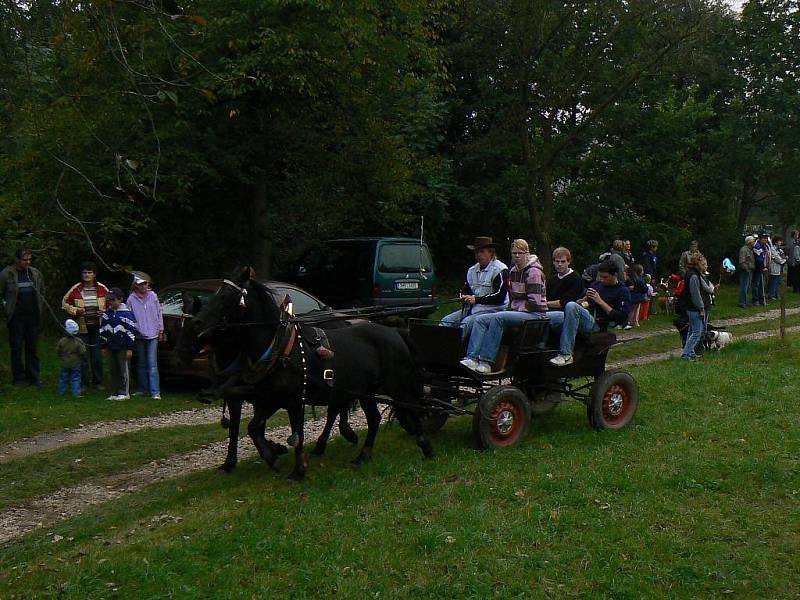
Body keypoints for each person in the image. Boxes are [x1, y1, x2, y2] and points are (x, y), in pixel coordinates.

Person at [460, 239, 547, 373]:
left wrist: (516, 307)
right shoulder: (513, 270)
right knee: (480, 320)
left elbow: (535, 302)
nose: (517, 256)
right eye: (514, 253)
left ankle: (486, 360)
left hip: (534, 314)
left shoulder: (533, 272)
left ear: (527, 254)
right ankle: (472, 358)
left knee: (498, 317)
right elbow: (512, 297)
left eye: (520, 253)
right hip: (518, 311)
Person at [549, 260, 631, 367]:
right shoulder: (596, 285)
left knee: (570, 305)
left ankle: (566, 354)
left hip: (597, 323)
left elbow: (620, 317)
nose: (602, 279)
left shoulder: (622, 291)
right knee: (547, 316)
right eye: (600, 276)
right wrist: (582, 300)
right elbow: (584, 302)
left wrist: (600, 301)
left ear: (615, 275)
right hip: (584, 315)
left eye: (605, 277)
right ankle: (541, 350)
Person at [440, 236, 508, 339]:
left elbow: (500, 298)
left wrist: (476, 300)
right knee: (445, 321)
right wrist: (463, 296)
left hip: (493, 311)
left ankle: (456, 349)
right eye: (476, 252)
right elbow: (465, 288)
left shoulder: (500, 270)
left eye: (482, 252)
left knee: (465, 324)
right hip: (473, 309)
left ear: (491, 253)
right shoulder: (472, 270)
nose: (478, 255)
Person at [0, 248, 45, 386]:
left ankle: (34, 376)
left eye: (29, 260)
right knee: (16, 347)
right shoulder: (6, 274)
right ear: (17, 259)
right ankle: (18, 377)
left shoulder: (35, 273)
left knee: (32, 347)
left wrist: (40, 306)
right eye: (25, 260)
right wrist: (5, 310)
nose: (27, 262)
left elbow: (42, 289)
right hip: (16, 317)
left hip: (32, 316)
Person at [62, 262, 108, 390]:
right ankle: (84, 383)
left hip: (97, 327)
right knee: (83, 356)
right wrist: (76, 311)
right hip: (82, 327)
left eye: (89, 272)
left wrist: (104, 312)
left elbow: (112, 304)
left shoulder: (102, 288)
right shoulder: (76, 289)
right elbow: (64, 303)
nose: (87, 275)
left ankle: (98, 382)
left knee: (97, 356)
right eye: (84, 272)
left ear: (94, 274)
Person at [126, 272, 164, 400]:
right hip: (139, 334)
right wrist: (134, 330)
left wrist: (161, 329)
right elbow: (129, 317)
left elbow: (159, 312)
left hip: (153, 333)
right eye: (141, 284)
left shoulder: (153, 296)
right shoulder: (131, 299)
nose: (143, 287)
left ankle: (155, 391)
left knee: (152, 363)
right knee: (141, 363)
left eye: (145, 284)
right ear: (136, 285)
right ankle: (143, 389)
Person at [100, 287, 139, 401]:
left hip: (123, 347)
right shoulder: (107, 314)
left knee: (123, 369)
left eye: (113, 300)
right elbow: (103, 330)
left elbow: (131, 331)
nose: (111, 302)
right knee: (113, 370)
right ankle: (114, 392)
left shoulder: (127, 314)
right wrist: (103, 345)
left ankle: (124, 392)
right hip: (111, 346)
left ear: (120, 299)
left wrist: (130, 348)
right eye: (109, 300)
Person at [681, 252, 715, 361]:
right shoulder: (694, 276)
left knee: (692, 331)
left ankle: (690, 352)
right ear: (697, 264)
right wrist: (701, 308)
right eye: (704, 264)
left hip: (692, 307)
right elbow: (695, 294)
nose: (706, 266)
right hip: (693, 308)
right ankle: (686, 354)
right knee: (697, 332)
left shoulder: (694, 274)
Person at [56, 319, 86, 398]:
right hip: (76, 364)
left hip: (64, 363)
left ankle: (61, 393)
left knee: (63, 378)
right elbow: (83, 351)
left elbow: (58, 350)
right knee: (75, 378)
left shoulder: (62, 341)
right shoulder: (78, 341)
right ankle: (76, 393)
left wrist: (61, 356)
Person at [627, 264, 646, 329]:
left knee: (632, 310)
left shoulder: (634, 279)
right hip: (638, 297)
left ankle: (632, 322)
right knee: (635, 310)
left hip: (633, 296)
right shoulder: (641, 280)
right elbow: (644, 289)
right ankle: (634, 322)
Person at [738, 235, 756, 308]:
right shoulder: (744, 250)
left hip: (750, 270)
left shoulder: (750, 249)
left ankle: (746, 301)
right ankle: (742, 302)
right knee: (744, 287)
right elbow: (742, 261)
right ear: (749, 242)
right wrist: (746, 269)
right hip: (746, 271)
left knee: (748, 287)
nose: (754, 242)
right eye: (753, 241)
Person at [767, 236, 787, 300]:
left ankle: (775, 294)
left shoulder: (780, 249)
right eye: (779, 241)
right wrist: (783, 260)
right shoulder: (773, 248)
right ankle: (771, 295)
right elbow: (777, 258)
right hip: (774, 267)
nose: (780, 242)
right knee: (774, 281)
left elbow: (784, 256)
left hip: (780, 267)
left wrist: (784, 259)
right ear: (776, 242)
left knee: (778, 281)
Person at [752, 231, 769, 306]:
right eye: (764, 238)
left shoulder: (764, 246)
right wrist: (762, 266)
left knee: (761, 284)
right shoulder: (757, 245)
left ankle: (761, 299)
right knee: (756, 284)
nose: (765, 239)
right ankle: (755, 300)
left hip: (762, 267)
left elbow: (764, 256)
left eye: (766, 238)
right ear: (760, 238)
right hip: (757, 267)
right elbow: (759, 258)